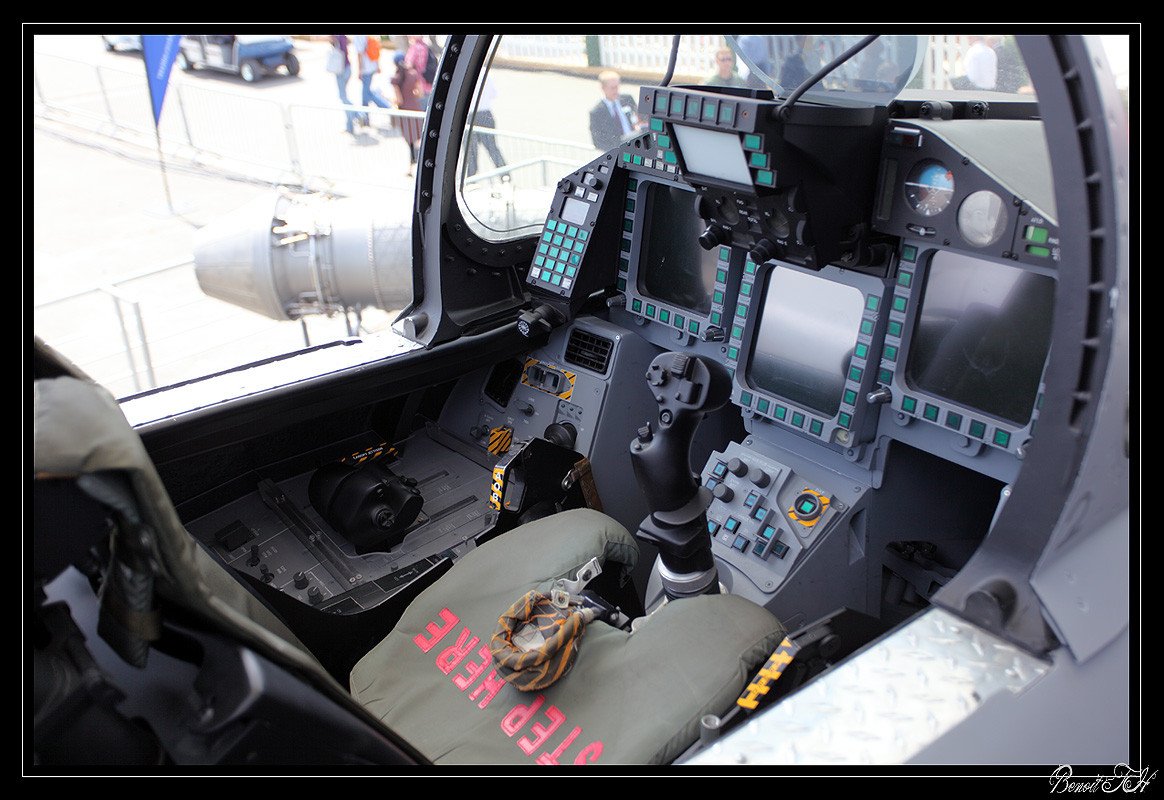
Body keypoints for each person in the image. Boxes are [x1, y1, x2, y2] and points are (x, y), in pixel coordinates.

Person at [389, 52, 425, 176]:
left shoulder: (396, 79)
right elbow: (420, 93)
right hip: (415, 110)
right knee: (419, 140)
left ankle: (411, 168)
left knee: (410, 142)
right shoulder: (413, 74)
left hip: (405, 113)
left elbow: (399, 100)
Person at [588, 71, 641, 152]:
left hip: (637, 145)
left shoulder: (627, 99)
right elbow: (597, 141)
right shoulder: (596, 112)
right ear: (603, 88)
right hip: (618, 152)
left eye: (617, 87)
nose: (616, 91)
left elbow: (640, 117)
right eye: (612, 88)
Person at [465, 76, 506, 177]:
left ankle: (471, 177)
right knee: (492, 147)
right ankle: (505, 175)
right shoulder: (486, 75)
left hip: (471, 115)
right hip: (486, 114)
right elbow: (494, 94)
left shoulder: (466, 74)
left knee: (471, 150)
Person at [352, 35, 391, 120]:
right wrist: (377, 65)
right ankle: (365, 118)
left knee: (367, 94)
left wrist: (359, 70)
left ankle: (387, 107)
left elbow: (360, 53)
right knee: (365, 93)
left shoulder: (357, 36)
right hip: (372, 65)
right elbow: (375, 47)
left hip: (366, 69)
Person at [327, 35, 360, 136]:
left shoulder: (335, 37)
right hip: (347, 68)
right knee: (344, 97)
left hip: (341, 70)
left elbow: (316, 39)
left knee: (343, 97)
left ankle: (358, 114)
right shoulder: (343, 37)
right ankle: (350, 127)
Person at [404, 36, 434, 108]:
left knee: (422, 107)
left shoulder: (414, 48)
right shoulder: (425, 47)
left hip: (419, 84)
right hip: (428, 82)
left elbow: (409, 65)